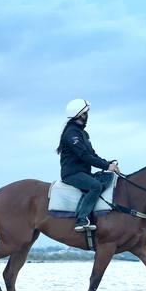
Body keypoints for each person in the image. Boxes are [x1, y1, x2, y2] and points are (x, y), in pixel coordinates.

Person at [56, 99, 120, 232]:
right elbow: (84, 156)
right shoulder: (72, 133)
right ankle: (81, 219)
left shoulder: (83, 134)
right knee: (95, 186)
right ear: (80, 115)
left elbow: (92, 154)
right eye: (86, 112)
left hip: (83, 173)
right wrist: (107, 166)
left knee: (107, 178)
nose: (87, 115)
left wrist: (108, 164)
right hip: (72, 174)